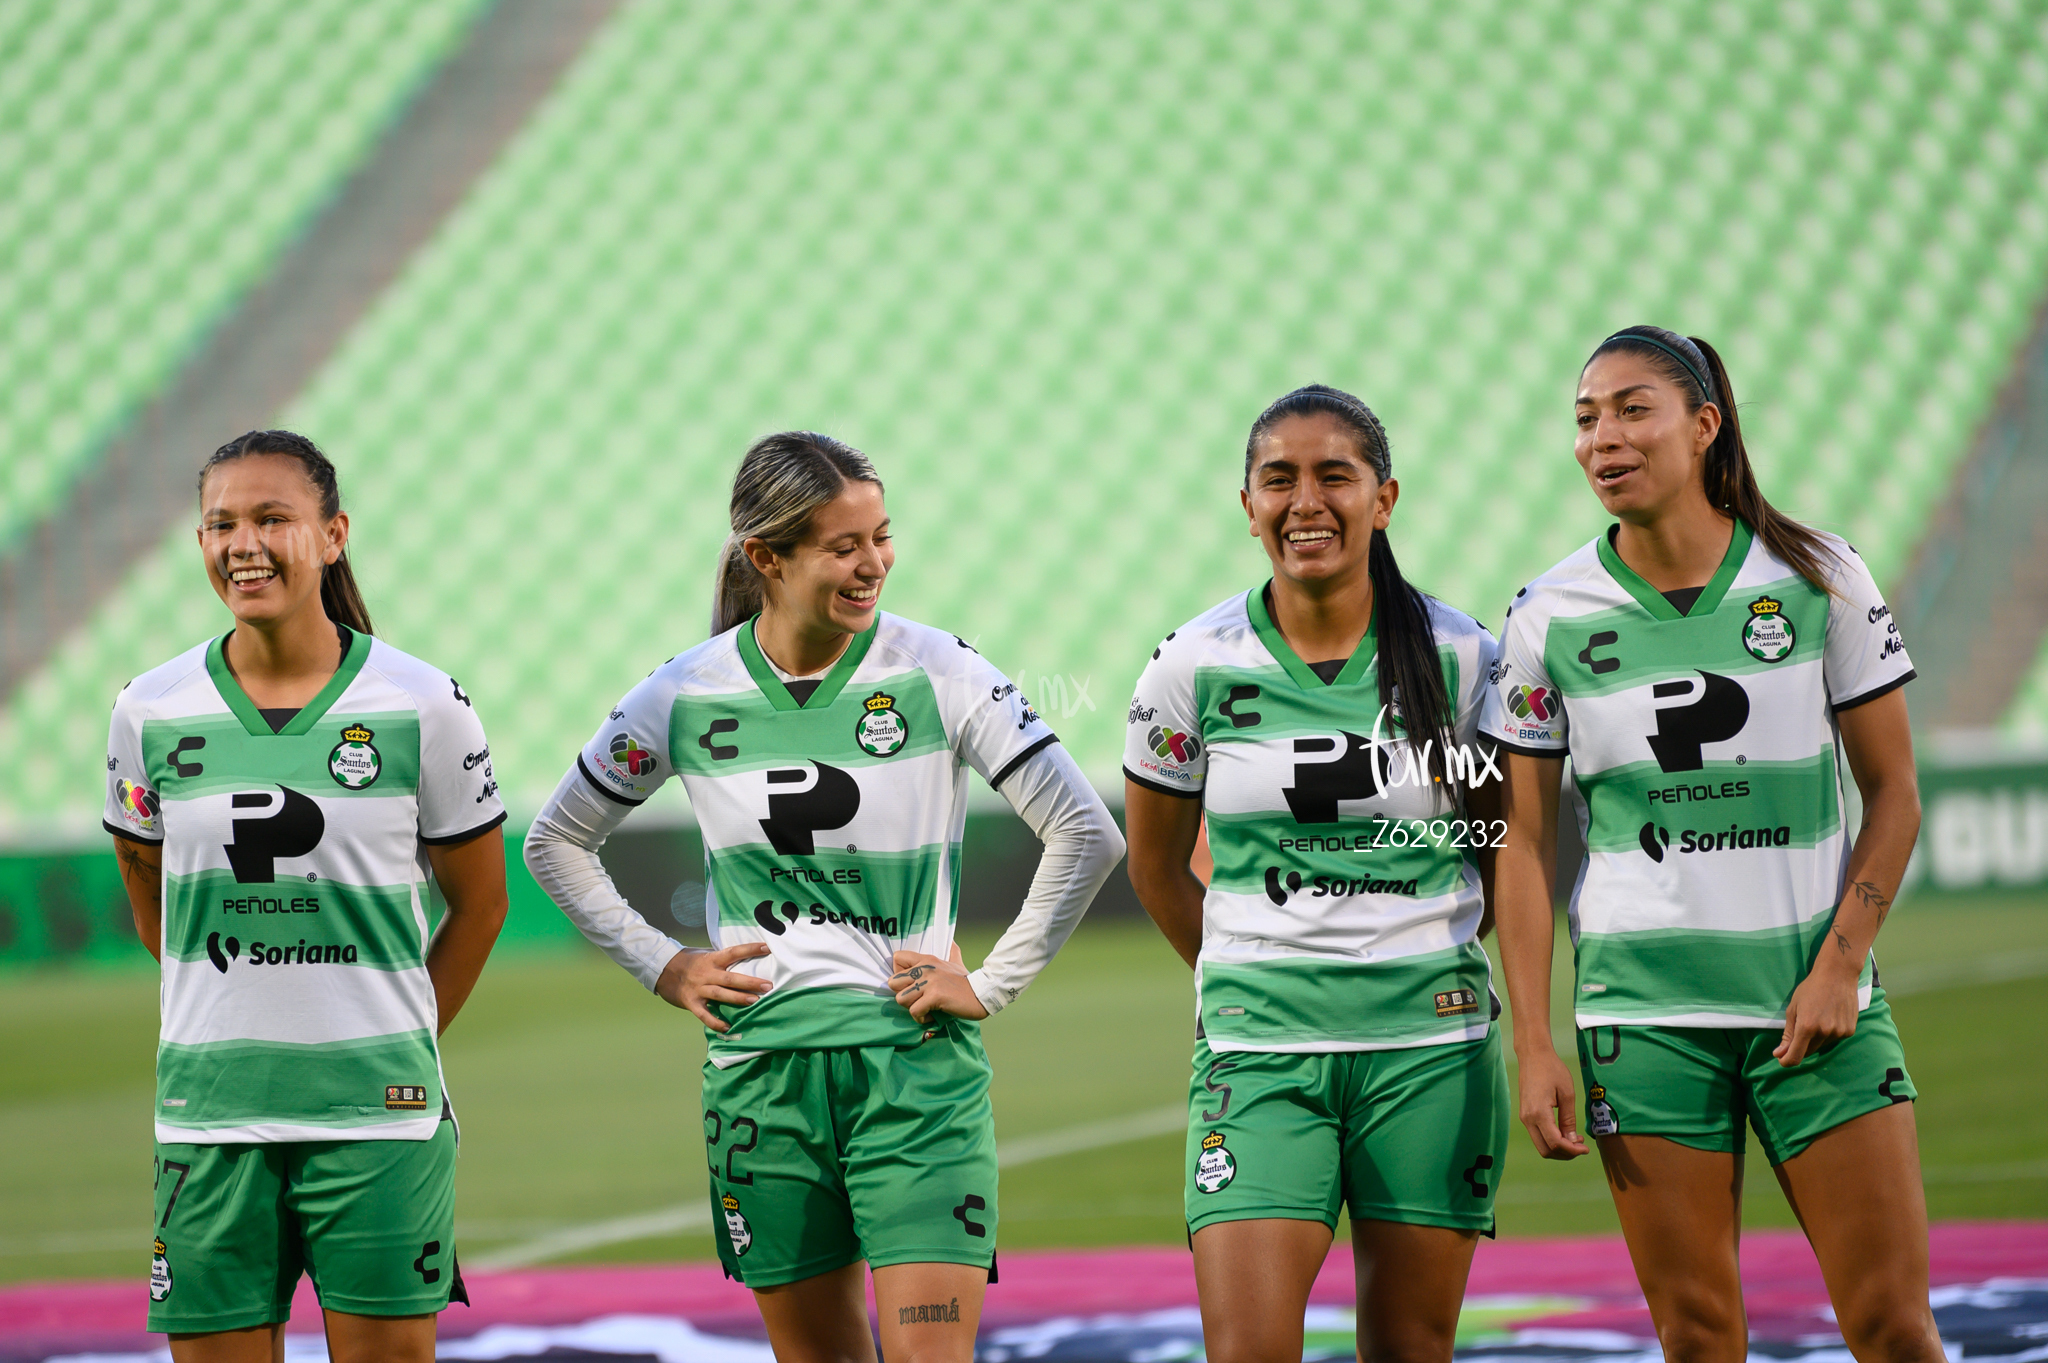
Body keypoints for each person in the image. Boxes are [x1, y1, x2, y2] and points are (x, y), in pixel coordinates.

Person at [523, 430, 1123, 1363]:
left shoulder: (940, 670)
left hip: (916, 1074)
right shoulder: (684, 692)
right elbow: (555, 839)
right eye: (844, 547)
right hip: (763, 1079)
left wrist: (993, 981)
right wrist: (664, 963)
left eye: (882, 537)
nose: (874, 563)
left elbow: (1088, 830)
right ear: (768, 556)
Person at [1483, 327, 1937, 1362]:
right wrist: (1534, 1042)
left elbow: (1893, 794)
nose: (1602, 436)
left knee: (1892, 1328)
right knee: (1694, 1337)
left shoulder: (1817, 575)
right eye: (1585, 418)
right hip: (1640, 1021)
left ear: (1702, 425)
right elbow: (1520, 840)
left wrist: (1837, 971)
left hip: (1814, 1012)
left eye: (1631, 409)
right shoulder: (1545, 615)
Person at [106, 430, 509, 1363]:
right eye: (220, 524)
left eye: (271, 519)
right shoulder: (149, 710)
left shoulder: (424, 703)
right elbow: (145, 882)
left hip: (380, 1118)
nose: (243, 543)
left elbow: (481, 903)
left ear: (333, 536)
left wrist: (394, 1027)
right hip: (209, 1117)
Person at [1123, 386, 1508, 1363]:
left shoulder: (1464, 658)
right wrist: (1243, 970)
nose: (1306, 500)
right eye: (1278, 478)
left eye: (1333, 474)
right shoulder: (1190, 665)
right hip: (1259, 1055)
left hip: (1430, 1049)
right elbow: (1157, 866)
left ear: (1382, 498)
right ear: (1245, 504)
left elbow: (1502, 852)